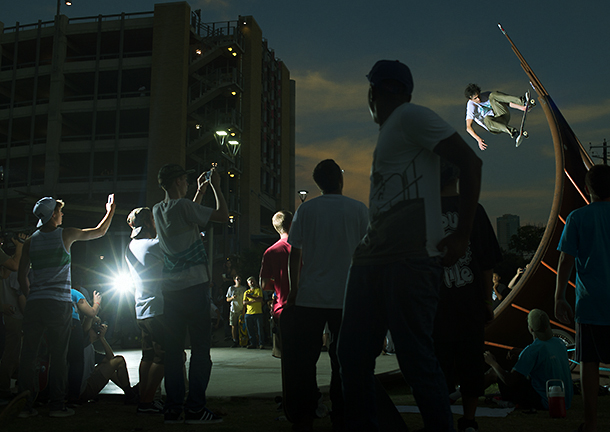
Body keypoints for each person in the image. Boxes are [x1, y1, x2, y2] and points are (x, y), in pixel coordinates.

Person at [338, 60, 482, 432]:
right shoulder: (393, 130)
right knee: (351, 356)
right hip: (372, 258)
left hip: (409, 260)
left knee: (414, 359)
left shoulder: (409, 116)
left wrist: (463, 231)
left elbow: (469, 161)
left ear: (375, 93)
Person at [283, 159, 369, 432]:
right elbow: (368, 252)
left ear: (319, 184)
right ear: (340, 181)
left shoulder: (306, 210)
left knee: (304, 361)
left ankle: (305, 416)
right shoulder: (358, 209)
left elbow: (294, 252)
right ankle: (341, 415)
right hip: (347, 296)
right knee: (343, 360)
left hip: (311, 296)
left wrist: (294, 289)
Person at [17, 194, 116, 418]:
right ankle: (56, 405)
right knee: (59, 355)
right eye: (60, 211)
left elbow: (23, 275)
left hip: (35, 303)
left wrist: (31, 295)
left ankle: (25, 405)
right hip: (58, 304)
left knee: (29, 355)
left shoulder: (31, 241)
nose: (62, 214)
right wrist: (110, 210)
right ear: (53, 214)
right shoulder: (65, 234)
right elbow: (99, 231)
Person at [153, 163, 227, 424]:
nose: (186, 184)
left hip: (171, 291)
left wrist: (198, 193)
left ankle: (173, 408)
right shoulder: (182, 206)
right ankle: (196, 408)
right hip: (194, 288)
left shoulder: (158, 210)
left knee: (173, 353)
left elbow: (186, 213)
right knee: (200, 350)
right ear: (176, 183)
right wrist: (216, 186)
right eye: (185, 181)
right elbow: (222, 216)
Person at [433, 160, 502, 432]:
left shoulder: (423, 213)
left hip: (435, 304)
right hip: (469, 301)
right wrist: (487, 301)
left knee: (436, 366)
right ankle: (469, 420)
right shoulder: (474, 210)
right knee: (471, 362)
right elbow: (486, 264)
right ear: (458, 176)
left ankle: (439, 419)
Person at [555, 164, 610, 432]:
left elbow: (566, 259)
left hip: (590, 304)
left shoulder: (577, 218)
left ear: (587, 190)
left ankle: (591, 422)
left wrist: (559, 296)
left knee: (589, 362)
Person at [484, 309, 573, 411]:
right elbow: (542, 354)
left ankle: (466, 393)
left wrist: (493, 363)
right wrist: (521, 352)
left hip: (545, 401)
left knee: (493, 373)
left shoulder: (532, 351)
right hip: (564, 400)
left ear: (530, 329)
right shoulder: (559, 343)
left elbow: (510, 381)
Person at [124, 207, 165, 414]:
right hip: (158, 308)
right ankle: (147, 401)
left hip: (141, 307)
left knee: (147, 355)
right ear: (149, 223)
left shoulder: (131, 246)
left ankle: (144, 398)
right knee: (163, 356)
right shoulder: (154, 245)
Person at [80, 319, 138, 403]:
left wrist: (102, 338)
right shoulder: (83, 345)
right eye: (94, 327)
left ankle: (129, 391)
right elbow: (117, 361)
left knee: (106, 365)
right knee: (119, 360)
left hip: (81, 388)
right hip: (83, 390)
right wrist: (91, 317)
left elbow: (110, 359)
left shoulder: (90, 349)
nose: (97, 329)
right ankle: (130, 394)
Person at [259, 210, 292, 358]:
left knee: (286, 359)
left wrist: (279, 284)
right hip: (308, 307)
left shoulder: (271, 252)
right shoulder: (306, 246)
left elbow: (264, 284)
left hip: (283, 309)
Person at [464, 83, 534, 150]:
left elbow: (506, 102)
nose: (478, 99)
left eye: (478, 96)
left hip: (502, 116)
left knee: (493, 95)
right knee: (487, 119)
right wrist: (478, 139)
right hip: (494, 126)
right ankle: (514, 133)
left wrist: (522, 108)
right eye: (475, 98)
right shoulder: (471, 106)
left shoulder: (486, 95)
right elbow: (468, 127)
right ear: (471, 99)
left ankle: (523, 100)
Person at [242, 277, 265, 349]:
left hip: (258, 312)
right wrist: (254, 300)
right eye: (250, 282)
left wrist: (251, 297)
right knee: (250, 329)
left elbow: (260, 299)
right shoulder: (246, 292)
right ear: (248, 284)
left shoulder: (258, 290)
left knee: (259, 329)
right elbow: (244, 302)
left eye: (253, 281)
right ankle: (253, 343)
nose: (252, 283)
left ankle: (261, 343)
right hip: (248, 313)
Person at [225, 275, 246, 348]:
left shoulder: (243, 288)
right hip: (233, 309)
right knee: (233, 325)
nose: (238, 280)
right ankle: (234, 340)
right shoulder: (231, 288)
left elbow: (245, 300)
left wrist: (244, 310)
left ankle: (242, 341)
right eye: (237, 279)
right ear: (234, 280)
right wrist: (232, 298)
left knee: (241, 325)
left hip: (241, 309)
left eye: (239, 278)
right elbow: (227, 299)